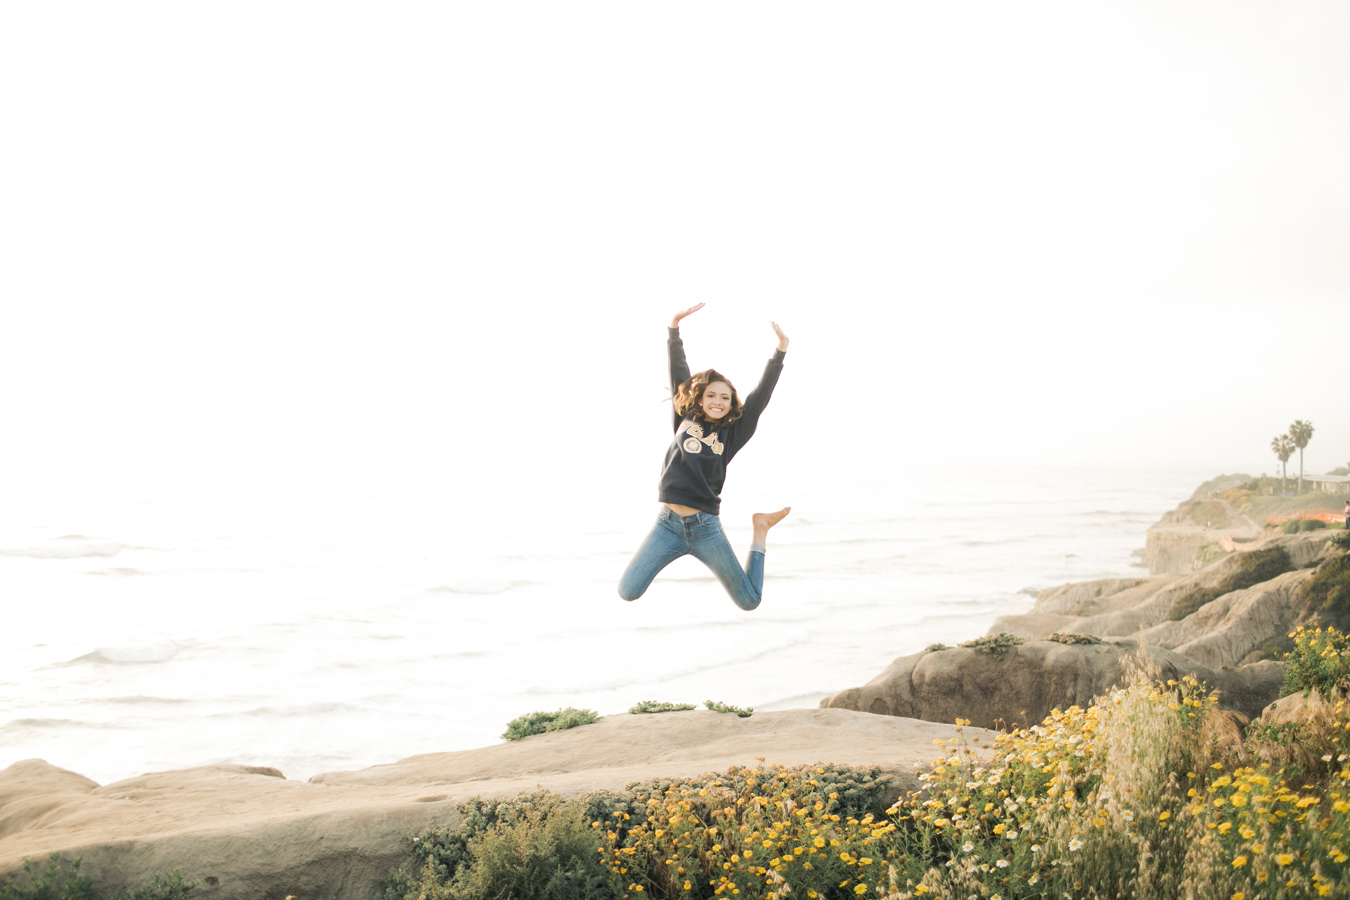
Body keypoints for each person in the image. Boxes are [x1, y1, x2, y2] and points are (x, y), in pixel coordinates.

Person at [618, 303, 791, 611]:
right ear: (700, 397)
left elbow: (760, 396)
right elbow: (679, 373)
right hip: (667, 526)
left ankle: (760, 527)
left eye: (725, 397)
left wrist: (780, 351)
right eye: (711, 395)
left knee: (750, 601)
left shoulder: (733, 434)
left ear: (731, 403)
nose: (718, 401)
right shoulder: (685, 417)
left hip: (705, 528)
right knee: (627, 591)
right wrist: (674, 328)